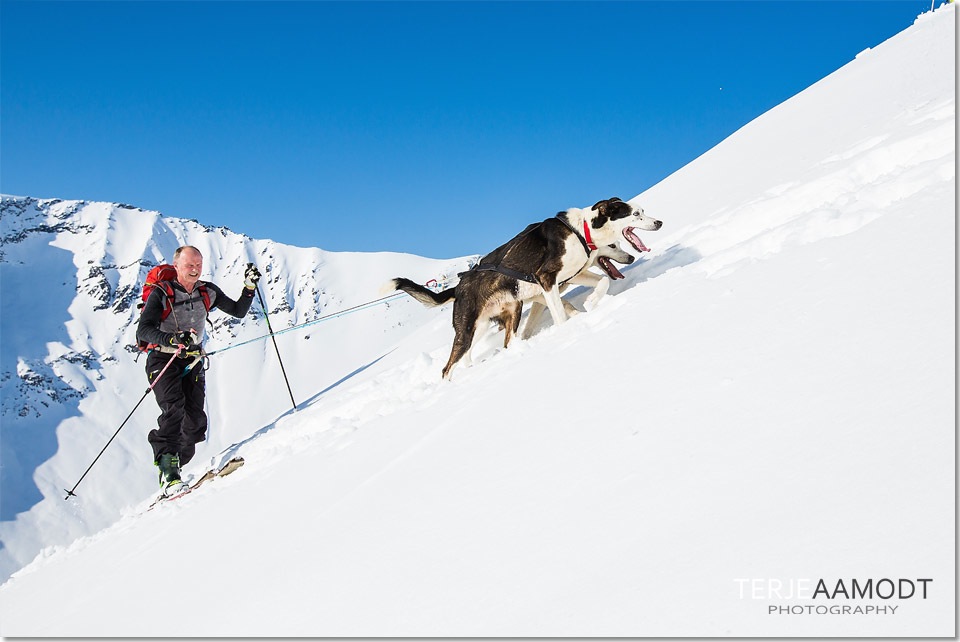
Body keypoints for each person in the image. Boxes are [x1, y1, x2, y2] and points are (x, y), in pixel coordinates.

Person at [136, 245, 261, 496]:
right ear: (176, 266)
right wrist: (172, 339)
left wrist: (249, 288)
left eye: (198, 265)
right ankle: (168, 472)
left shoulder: (208, 291)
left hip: (192, 360)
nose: (194, 270)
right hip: (163, 360)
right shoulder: (162, 292)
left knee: (194, 422)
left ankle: (174, 466)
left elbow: (238, 312)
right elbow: (144, 330)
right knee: (174, 409)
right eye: (189, 265)